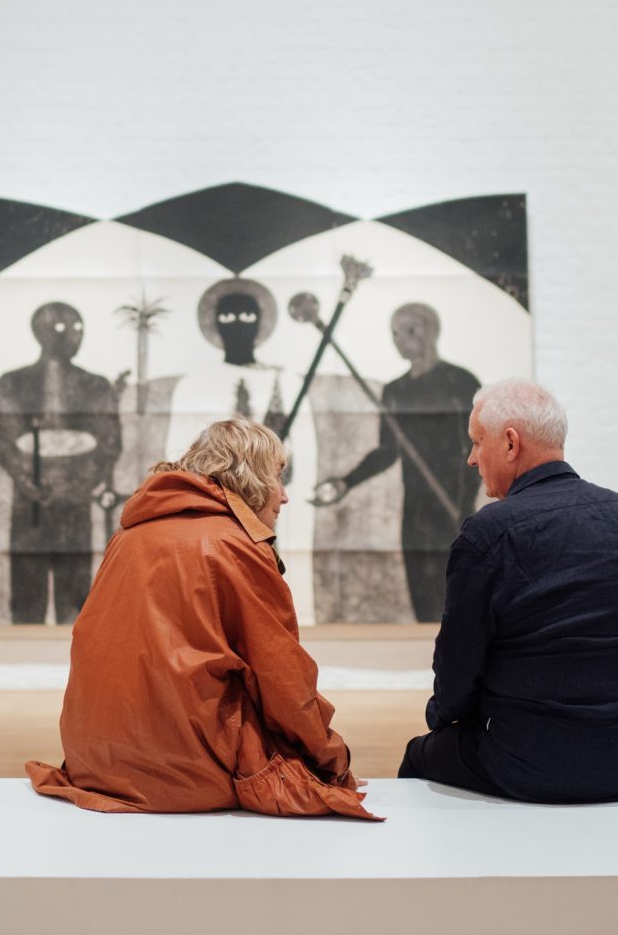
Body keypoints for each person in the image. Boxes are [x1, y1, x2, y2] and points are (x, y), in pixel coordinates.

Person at [27, 418, 377, 820]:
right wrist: (332, 757)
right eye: (277, 477)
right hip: (183, 772)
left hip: (94, 763)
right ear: (250, 478)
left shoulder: (128, 535)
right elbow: (283, 677)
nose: (284, 497)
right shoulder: (234, 544)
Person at [399, 378, 618, 803]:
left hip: (541, 763)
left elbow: (459, 666)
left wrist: (441, 719)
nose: (471, 459)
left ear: (510, 444)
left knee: (421, 755)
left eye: (476, 442)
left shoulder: (488, 532)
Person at [312, 302, 480, 622]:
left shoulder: (461, 381)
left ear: (432, 331)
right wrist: (346, 481)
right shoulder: (395, 390)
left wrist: (463, 505)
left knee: (458, 595)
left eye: (411, 330)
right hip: (415, 512)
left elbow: (477, 446)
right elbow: (387, 452)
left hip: (455, 507)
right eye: (395, 333)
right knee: (423, 596)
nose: (401, 339)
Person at [164, 277, 317, 623]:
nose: (238, 326)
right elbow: (178, 455)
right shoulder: (193, 384)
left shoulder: (285, 382)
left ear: (262, 322)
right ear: (213, 323)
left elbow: (304, 453)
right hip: (214, 509)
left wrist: (276, 476)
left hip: (268, 502)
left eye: (247, 317)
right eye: (229, 317)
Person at [0, 302, 122, 625]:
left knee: (75, 594)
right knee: (27, 595)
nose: (75, 337)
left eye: (79, 330)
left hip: (75, 505)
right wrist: (25, 479)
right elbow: (2, 437)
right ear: (40, 332)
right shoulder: (11, 384)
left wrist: (79, 485)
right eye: (65, 329)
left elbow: (109, 442)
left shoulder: (96, 386)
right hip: (29, 506)